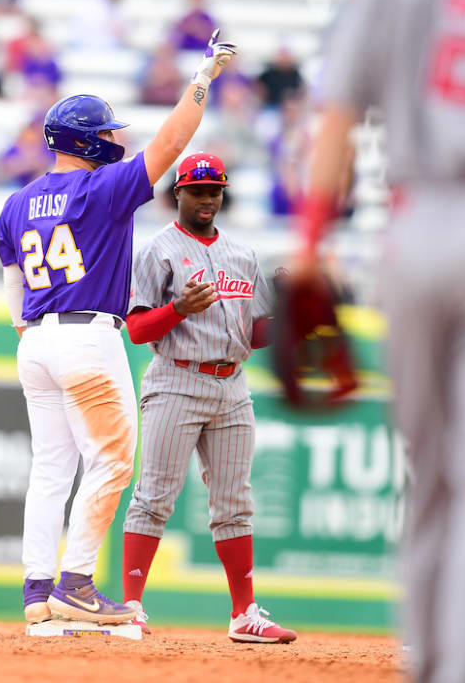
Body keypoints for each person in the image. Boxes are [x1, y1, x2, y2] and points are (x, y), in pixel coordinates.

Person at [295, 0, 465, 682]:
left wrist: (311, 248)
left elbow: (339, 113)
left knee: (429, 463)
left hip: (411, 228)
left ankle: (426, 660)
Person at [0, 30, 237, 625]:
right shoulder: (102, 188)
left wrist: (24, 327)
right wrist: (202, 80)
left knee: (51, 467)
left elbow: (12, 277)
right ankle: (76, 583)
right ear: (84, 139)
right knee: (111, 463)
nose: (114, 140)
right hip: (86, 336)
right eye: (106, 133)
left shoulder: (17, 200)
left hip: (38, 340)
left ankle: (36, 590)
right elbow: (172, 142)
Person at [121, 151, 297, 643]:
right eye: (197, 189)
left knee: (235, 501)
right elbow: (135, 329)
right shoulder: (157, 251)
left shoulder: (244, 255)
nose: (206, 198)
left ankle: (244, 614)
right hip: (176, 378)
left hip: (232, 385)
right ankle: (131, 606)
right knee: (154, 496)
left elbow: (255, 334)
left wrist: (284, 316)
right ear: (177, 193)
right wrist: (176, 309)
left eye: (214, 190)